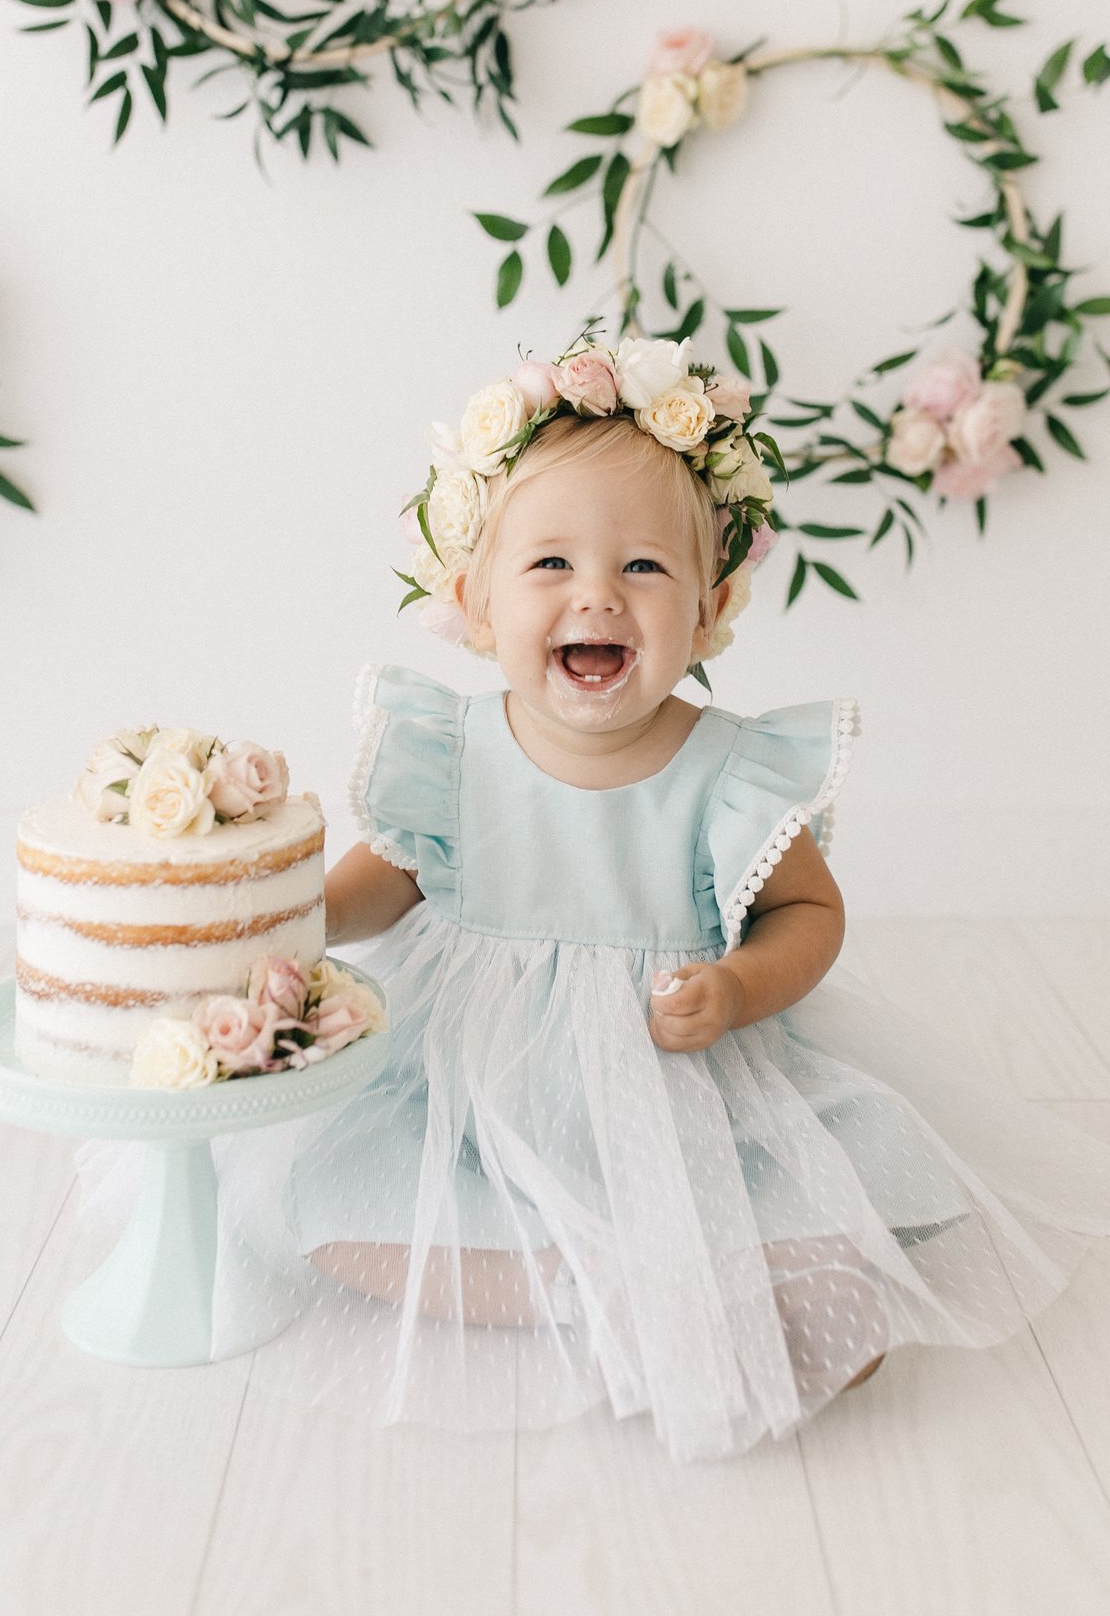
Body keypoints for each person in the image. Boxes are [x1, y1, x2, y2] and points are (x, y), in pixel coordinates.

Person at [87, 334, 1110, 1463]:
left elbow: (808, 918)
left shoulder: (729, 769)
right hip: (472, 1087)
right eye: (551, 567)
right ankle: (598, 1286)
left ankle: (725, 1269)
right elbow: (395, 875)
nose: (598, 598)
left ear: (711, 607)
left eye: (643, 569)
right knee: (328, 1205)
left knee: (855, 1192)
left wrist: (733, 986)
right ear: (475, 604)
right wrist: (303, 924)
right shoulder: (457, 750)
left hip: (679, 1089)